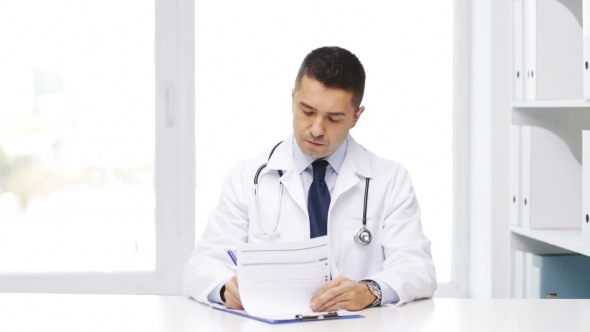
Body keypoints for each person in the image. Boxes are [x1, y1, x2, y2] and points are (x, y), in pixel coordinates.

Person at [184, 46, 436, 311]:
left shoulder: (390, 179)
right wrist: (225, 289)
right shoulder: (248, 177)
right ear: (293, 99)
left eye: (334, 118)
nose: (316, 129)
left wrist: (369, 290)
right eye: (307, 111)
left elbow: (418, 268)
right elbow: (202, 264)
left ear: (356, 117)